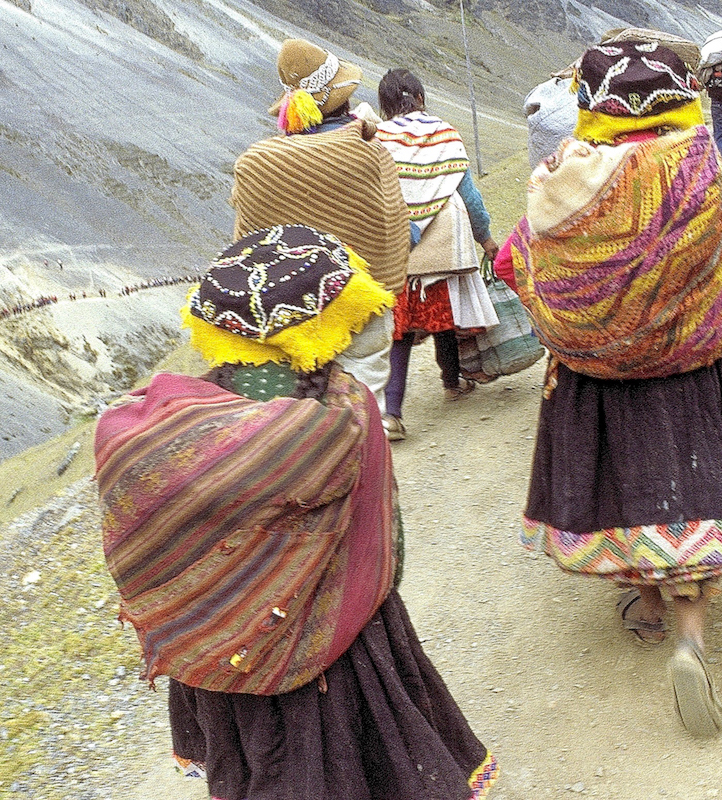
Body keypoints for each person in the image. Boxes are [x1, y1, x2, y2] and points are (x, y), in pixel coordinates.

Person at [94, 224, 498, 799]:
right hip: (338, 649)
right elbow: (388, 548)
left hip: (222, 656)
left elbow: (152, 548)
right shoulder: (344, 412)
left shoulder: (161, 427)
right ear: (321, 326)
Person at [495, 40, 722, 737]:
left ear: (593, 106)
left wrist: (588, 315)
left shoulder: (562, 178)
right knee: (694, 484)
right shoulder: (698, 165)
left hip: (603, 376)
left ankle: (646, 605)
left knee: (629, 480)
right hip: (700, 364)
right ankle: (691, 638)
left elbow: (515, 260)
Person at [231, 39, 410, 419]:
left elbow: (246, 246)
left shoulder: (256, 165)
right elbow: (395, 226)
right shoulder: (366, 152)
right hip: (361, 304)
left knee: (300, 415)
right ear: (343, 99)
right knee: (362, 408)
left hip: (289, 312)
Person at [372, 68, 500, 441]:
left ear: (385, 105)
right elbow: (469, 195)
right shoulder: (445, 134)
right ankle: (451, 383)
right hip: (443, 244)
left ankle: (392, 414)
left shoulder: (377, 139)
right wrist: (485, 238)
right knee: (441, 317)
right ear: (421, 98)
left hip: (395, 243)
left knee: (401, 330)